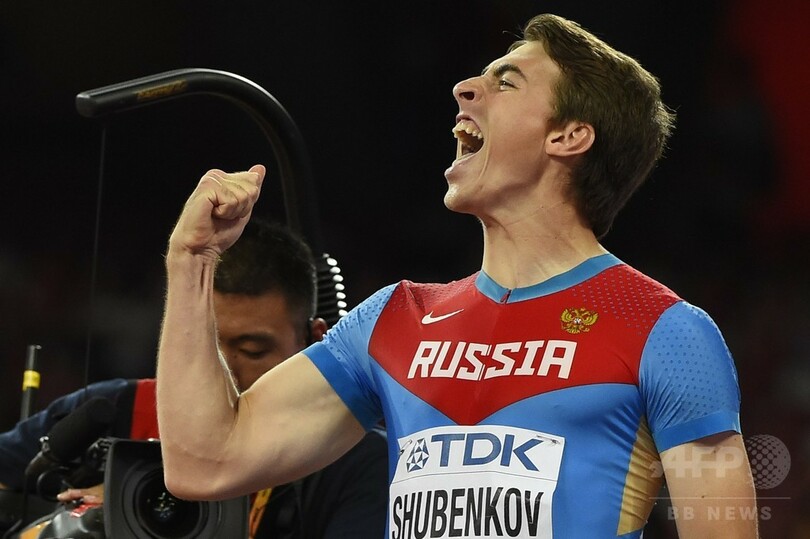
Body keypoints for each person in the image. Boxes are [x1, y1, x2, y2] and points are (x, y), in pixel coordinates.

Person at [156, 13, 759, 538]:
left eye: (507, 81)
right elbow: (204, 464)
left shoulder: (665, 332)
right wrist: (191, 263)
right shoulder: (391, 320)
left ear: (568, 135)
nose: (464, 88)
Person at [0, 219, 388, 538]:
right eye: (205, 349)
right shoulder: (115, 411)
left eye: (253, 350)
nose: (225, 372)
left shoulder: (359, 459)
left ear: (314, 342)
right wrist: (69, 520)